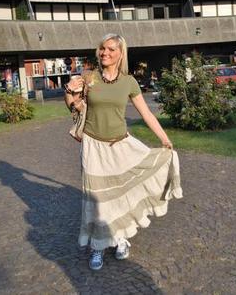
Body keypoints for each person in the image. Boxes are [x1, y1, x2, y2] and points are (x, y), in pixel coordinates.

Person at [64, 34, 183, 271]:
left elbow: (146, 113)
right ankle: (97, 247)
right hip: (93, 147)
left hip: (121, 145)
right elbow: (71, 104)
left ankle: (119, 238)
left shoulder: (129, 82)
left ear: (120, 53)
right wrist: (70, 90)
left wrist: (164, 138)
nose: (104, 53)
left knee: (119, 195)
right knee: (96, 198)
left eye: (110, 49)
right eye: (102, 48)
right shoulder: (89, 77)